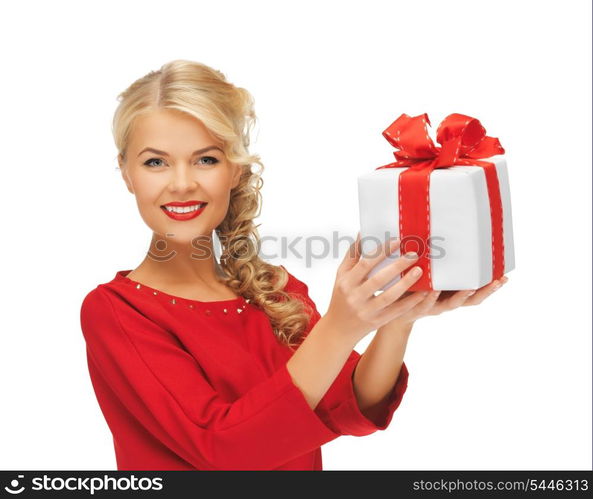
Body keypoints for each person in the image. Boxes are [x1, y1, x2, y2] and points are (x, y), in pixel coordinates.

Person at [79, 59, 509, 471]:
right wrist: (340, 327)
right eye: (155, 162)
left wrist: (397, 317)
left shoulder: (273, 289)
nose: (181, 183)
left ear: (234, 170)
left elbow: (349, 403)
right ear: (126, 173)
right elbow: (224, 449)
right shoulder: (116, 313)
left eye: (206, 159)